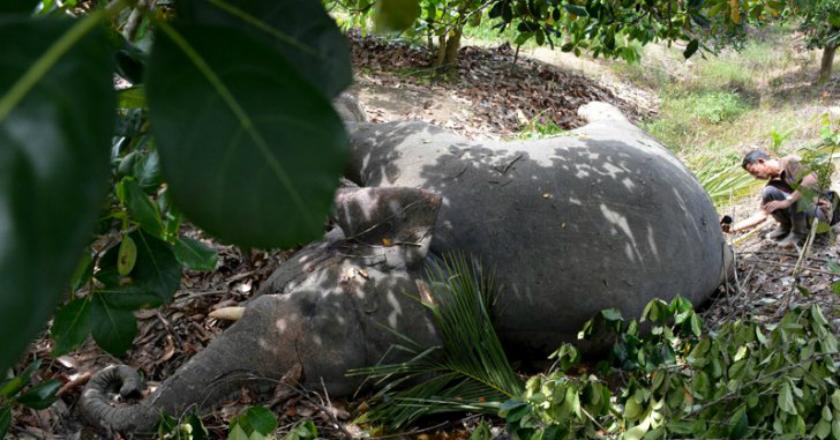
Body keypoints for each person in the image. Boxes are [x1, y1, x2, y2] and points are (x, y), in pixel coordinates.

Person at [724, 150, 839, 247]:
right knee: (769, 192)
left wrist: (787, 201)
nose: (756, 177)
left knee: (797, 195)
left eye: (755, 172)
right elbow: (763, 213)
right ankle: (786, 227)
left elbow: (810, 180)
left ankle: (798, 234)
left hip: (820, 213)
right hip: (802, 216)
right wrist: (733, 228)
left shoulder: (791, 161)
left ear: (761, 161)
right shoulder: (773, 183)